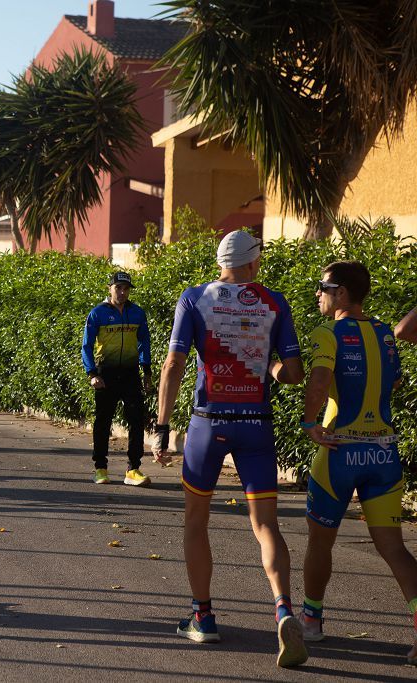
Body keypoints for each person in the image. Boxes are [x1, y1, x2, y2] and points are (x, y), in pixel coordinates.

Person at [152, 230, 308, 667]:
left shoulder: (195, 298)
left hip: (208, 423)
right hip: (256, 424)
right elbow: (292, 372)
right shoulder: (274, 302)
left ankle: (203, 618)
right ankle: (284, 610)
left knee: (196, 522)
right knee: (266, 527)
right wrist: (270, 365)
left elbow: (173, 364)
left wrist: (161, 428)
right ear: (254, 262)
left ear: (221, 261)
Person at [299, 262, 417, 662]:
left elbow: (318, 380)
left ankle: (311, 622)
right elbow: (394, 381)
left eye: (323, 287)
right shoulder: (384, 333)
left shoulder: (328, 332)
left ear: (342, 293)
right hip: (383, 452)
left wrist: (309, 422)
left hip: (338, 452)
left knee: (319, 543)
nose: (318, 293)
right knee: (395, 550)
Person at [81, 272, 153, 486]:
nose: (122, 292)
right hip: (106, 374)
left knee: (136, 420)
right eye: (118, 288)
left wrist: (146, 372)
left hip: (130, 374)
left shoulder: (137, 313)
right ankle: (100, 468)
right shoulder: (97, 314)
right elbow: (86, 346)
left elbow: (144, 344)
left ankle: (133, 469)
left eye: (126, 289)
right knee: (103, 422)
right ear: (109, 288)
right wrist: (92, 374)